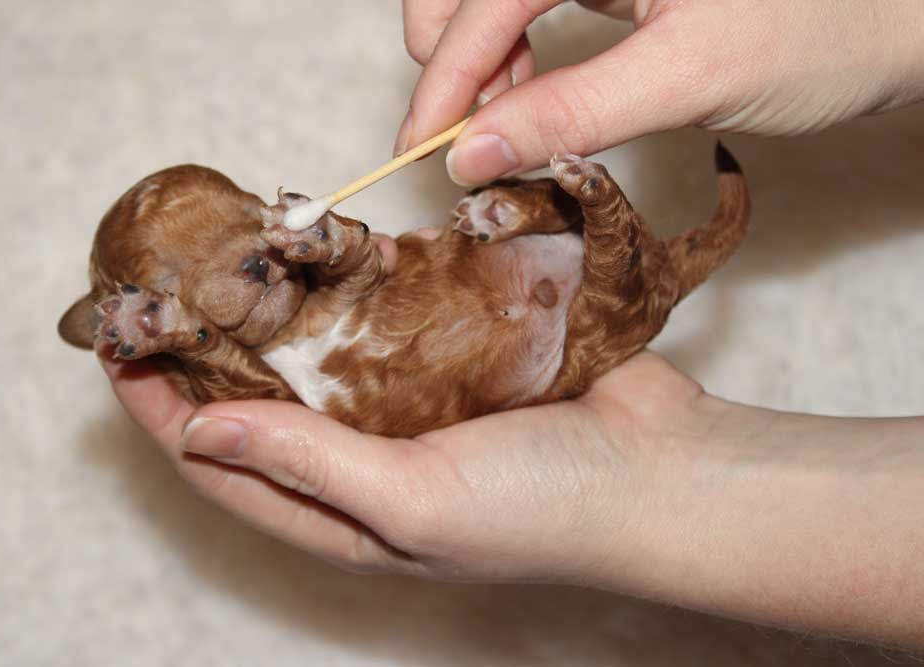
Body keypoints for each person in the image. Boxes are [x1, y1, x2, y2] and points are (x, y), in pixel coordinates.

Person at [103, 0, 924, 652]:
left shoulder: (310, 286)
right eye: (184, 277)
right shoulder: (252, 372)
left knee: (506, 244)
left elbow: (362, 269)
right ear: (149, 314)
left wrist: (330, 244)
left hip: (506, 274)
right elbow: (244, 380)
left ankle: (592, 203)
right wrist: (198, 339)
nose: (253, 250)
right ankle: (597, 207)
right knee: (596, 298)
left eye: (247, 216)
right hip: (543, 351)